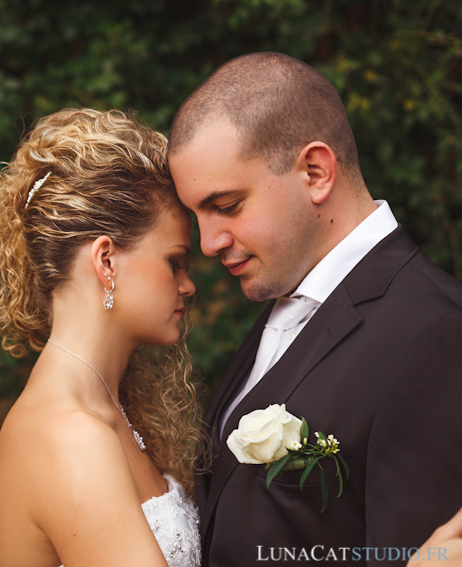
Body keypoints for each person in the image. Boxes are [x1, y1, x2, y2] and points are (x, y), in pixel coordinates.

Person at [167, 52, 462, 566]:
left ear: (316, 171)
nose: (209, 243)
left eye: (227, 205)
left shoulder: (436, 333)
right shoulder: (283, 297)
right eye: (196, 216)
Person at [0, 108, 202, 567]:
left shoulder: (114, 409)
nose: (188, 285)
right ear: (106, 261)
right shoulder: (67, 436)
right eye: (175, 261)